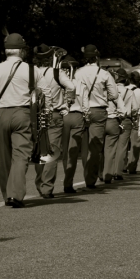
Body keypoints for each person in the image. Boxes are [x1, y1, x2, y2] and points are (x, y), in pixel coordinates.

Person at [0, 33, 51, 207]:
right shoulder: (31, 70)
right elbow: (46, 93)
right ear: (21, 51)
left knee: (4, 157)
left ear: (6, 51)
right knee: (21, 155)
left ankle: (7, 195)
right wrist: (46, 113)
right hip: (22, 115)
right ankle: (16, 195)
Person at [33, 45, 76, 198]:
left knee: (38, 150)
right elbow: (71, 86)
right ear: (51, 57)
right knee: (52, 150)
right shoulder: (57, 73)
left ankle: (39, 183)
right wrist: (68, 101)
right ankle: (46, 188)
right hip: (54, 114)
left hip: (34, 115)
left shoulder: (31, 72)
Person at [75, 45, 118, 189]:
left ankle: (74, 178)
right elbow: (114, 94)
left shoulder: (78, 72)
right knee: (95, 147)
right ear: (97, 57)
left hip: (80, 110)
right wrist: (104, 95)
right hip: (98, 110)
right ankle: (90, 179)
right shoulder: (104, 74)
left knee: (83, 145)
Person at [61, 56, 88, 194]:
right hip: (77, 115)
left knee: (63, 152)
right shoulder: (80, 84)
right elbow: (85, 105)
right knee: (73, 152)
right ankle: (68, 183)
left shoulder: (58, 82)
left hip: (62, 116)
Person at [100, 70, 126, 184]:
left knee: (98, 149)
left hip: (99, 121)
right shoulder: (114, 93)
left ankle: (98, 173)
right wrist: (119, 117)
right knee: (110, 150)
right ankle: (107, 175)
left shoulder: (97, 92)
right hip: (112, 120)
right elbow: (123, 110)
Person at [124, 71, 140, 175]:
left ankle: (122, 165)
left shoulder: (124, 90)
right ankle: (132, 166)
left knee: (123, 143)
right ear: (138, 81)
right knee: (135, 144)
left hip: (125, 118)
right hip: (137, 119)